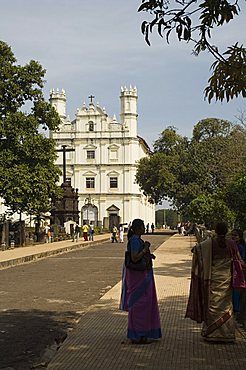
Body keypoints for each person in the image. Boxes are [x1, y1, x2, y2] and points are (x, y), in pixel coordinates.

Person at [185, 221, 244, 342]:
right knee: (226, 305)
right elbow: (239, 260)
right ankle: (227, 335)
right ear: (226, 231)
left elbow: (195, 250)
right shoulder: (232, 244)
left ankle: (212, 334)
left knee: (213, 305)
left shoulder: (209, 243)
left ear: (215, 231)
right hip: (226, 280)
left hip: (213, 280)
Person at [120, 218, 162, 344]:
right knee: (140, 304)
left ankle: (143, 333)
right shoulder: (134, 241)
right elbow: (134, 257)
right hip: (138, 277)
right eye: (143, 226)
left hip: (142, 275)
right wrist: (145, 248)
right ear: (138, 228)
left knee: (144, 303)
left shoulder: (136, 240)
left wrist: (148, 254)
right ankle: (138, 334)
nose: (144, 228)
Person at [231, 229, 246, 324]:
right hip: (234, 271)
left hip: (240, 272)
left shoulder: (241, 247)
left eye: (235, 235)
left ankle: (237, 312)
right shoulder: (232, 245)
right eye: (232, 235)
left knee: (238, 292)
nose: (233, 237)